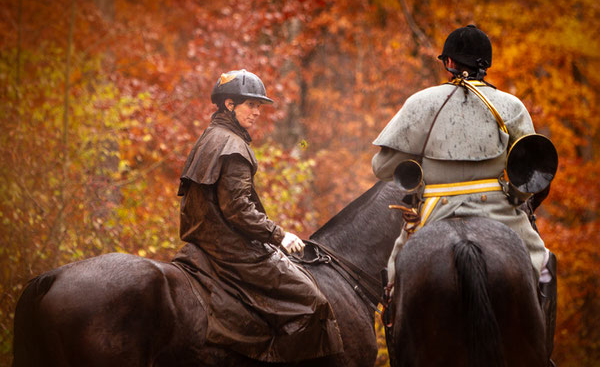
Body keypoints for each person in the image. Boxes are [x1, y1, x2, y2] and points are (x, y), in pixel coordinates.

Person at [372, 25, 556, 362]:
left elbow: (382, 168)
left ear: (449, 63)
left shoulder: (420, 103)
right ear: (486, 63)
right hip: (502, 212)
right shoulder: (510, 106)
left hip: (432, 214)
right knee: (544, 265)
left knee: (395, 274)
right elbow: (531, 167)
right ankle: (542, 352)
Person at [174, 69, 343, 362]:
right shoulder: (234, 146)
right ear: (229, 104)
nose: (257, 112)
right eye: (250, 105)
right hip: (230, 249)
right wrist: (280, 235)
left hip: (202, 243)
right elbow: (238, 210)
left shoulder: (210, 137)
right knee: (313, 302)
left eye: (259, 106)